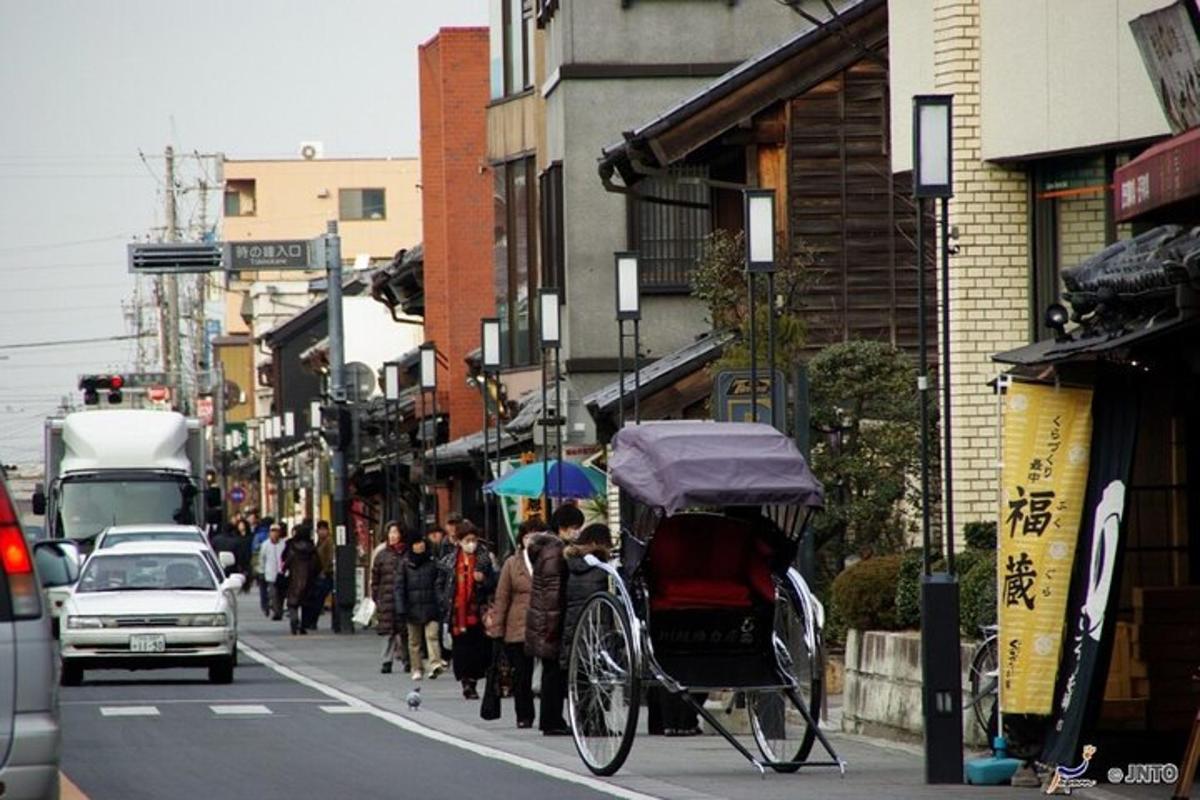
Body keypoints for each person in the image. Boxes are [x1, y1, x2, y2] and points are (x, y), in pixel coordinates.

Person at [524, 504, 585, 735]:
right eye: (574, 527)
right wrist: (555, 622)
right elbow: (553, 591)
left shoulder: (547, 547)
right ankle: (551, 721)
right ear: (562, 527)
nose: (577, 532)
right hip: (551, 618)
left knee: (554, 671)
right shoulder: (554, 551)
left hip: (545, 617)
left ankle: (551, 720)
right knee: (554, 673)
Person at [491, 519, 544, 728]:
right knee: (522, 675)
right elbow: (502, 598)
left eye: (536, 536)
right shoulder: (512, 564)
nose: (531, 540)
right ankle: (524, 715)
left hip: (543, 624)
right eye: (528, 536)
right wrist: (497, 629)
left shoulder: (549, 560)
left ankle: (549, 716)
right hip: (518, 626)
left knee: (547, 675)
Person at [437, 523, 496, 699]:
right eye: (467, 540)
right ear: (460, 542)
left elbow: (493, 585)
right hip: (457, 612)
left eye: (474, 540)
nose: (471, 544)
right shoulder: (449, 561)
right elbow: (439, 583)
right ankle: (466, 682)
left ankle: (474, 681)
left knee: (478, 650)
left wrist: (483, 580)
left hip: (477, 611)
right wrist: (443, 600)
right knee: (461, 650)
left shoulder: (484, 560)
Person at [395, 533, 447, 681]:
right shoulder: (405, 564)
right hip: (412, 607)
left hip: (431, 606)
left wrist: (441, 602)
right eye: (417, 543)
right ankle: (416, 667)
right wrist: (401, 607)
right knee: (414, 641)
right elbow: (399, 587)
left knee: (432, 636)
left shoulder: (433, 562)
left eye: (422, 543)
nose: (420, 546)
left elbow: (439, 583)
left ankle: (435, 664)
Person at [560, 524, 612, 672]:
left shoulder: (571, 564)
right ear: (597, 543)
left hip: (573, 631)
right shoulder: (603, 570)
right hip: (598, 635)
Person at [371, 521, 408, 674]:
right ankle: (387, 661)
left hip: (404, 598)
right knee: (387, 632)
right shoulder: (381, 555)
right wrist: (376, 596)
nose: (392, 536)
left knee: (405, 632)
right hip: (386, 598)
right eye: (390, 533)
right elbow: (375, 578)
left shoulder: (407, 553)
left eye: (395, 532)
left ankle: (408, 660)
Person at [282, 522, 319, 636]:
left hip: (294, 578)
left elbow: (286, 561)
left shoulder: (292, 546)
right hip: (309, 579)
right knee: (306, 603)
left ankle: (294, 621)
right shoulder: (311, 548)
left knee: (293, 603)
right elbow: (317, 564)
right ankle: (303, 625)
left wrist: (284, 569)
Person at [306, 520, 335, 631]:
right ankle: (312, 621)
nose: (322, 532)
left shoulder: (328, 542)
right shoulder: (319, 542)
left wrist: (324, 570)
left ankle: (313, 621)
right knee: (317, 599)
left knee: (319, 598)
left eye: (324, 529)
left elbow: (329, 559)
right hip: (319, 573)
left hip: (326, 574)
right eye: (320, 530)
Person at [259, 523, 287, 621]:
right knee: (273, 593)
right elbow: (262, 558)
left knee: (281, 594)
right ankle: (277, 612)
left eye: (276, 531)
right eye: (272, 531)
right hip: (270, 573)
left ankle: (279, 609)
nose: (274, 534)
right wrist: (262, 570)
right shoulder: (265, 545)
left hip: (282, 573)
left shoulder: (284, 544)